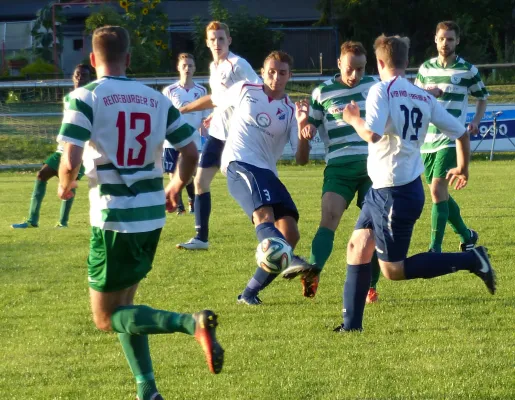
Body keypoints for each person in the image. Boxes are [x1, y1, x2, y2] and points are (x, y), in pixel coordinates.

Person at [56, 26, 224, 400]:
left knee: (104, 318)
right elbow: (190, 152)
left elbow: (70, 158)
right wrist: (176, 186)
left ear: (93, 60)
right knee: (126, 306)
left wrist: (64, 184)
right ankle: (147, 390)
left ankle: (190, 323)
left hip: (114, 218)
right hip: (151, 216)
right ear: (128, 59)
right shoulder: (155, 98)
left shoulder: (85, 96)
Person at [334, 34, 496, 332]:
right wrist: (463, 167)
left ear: (380, 62)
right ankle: (351, 326)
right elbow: (461, 133)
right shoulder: (422, 95)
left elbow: (371, 134)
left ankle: (472, 260)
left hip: (394, 192)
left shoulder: (380, 90)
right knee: (357, 246)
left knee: (393, 270)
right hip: (386, 188)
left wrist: (352, 118)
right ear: (407, 62)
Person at [281, 41, 382, 302]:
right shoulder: (322, 93)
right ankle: (314, 271)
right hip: (338, 167)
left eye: (360, 69)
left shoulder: (375, 87)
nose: (355, 75)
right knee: (329, 219)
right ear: (339, 64)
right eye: (350, 69)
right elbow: (310, 127)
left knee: (372, 228)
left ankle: (370, 286)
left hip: (374, 166)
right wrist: (307, 129)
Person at [210, 50, 310, 304]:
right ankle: (293, 260)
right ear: (262, 72)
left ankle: (249, 293)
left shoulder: (289, 110)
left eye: (282, 73)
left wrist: (302, 126)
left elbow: (301, 159)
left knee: (291, 234)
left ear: (290, 76)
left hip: (267, 172)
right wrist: (188, 109)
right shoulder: (245, 88)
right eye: (271, 72)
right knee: (263, 217)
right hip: (239, 162)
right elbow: (215, 100)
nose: (276, 77)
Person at [176, 21, 261, 250]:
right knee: (200, 183)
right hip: (217, 135)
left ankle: (270, 233)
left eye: (221, 38)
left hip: (238, 137)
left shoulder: (238, 64)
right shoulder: (215, 67)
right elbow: (216, 98)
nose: (217, 43)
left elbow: (260, 89)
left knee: (247, 189)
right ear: (206, 42)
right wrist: (186, 109)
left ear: (229, 40)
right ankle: (201, 238)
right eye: (212, 39)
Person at [415, 21, 488, 253]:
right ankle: (467, 236)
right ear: (435, 39)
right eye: (442, 38)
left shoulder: (467, 70)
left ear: (458, 41)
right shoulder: (425, 69)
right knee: (440, 193)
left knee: (437, 190)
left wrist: (476, 120)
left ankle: (434, 249)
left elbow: (482, 96)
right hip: (427, 141)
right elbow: (416, 98)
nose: (445, 43)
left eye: (450, 39)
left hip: (451, 139)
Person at [11, 64, 93, 229]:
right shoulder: (69, 97)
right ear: (72, 76)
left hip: (82, 149)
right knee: (41, 175)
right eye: (77, 75)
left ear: (89, 78)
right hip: (63, 149)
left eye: (83, 75)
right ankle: (32, 220)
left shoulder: (91, 97)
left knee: (69, 183)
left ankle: (63, 222)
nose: (79, 78)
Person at [162, 53, 209, 215]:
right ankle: (179, 205)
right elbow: (164, 115)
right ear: (178, 68)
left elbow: (205, 116)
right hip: (171, 139)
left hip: (192, 139)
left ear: (194, 68)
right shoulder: (169, 91)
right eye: (184, 65)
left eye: (190, 65)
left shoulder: (201, 90)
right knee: (171, 172)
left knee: (190, 173)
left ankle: (191, 200)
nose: (187, 68)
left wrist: (205, 134)